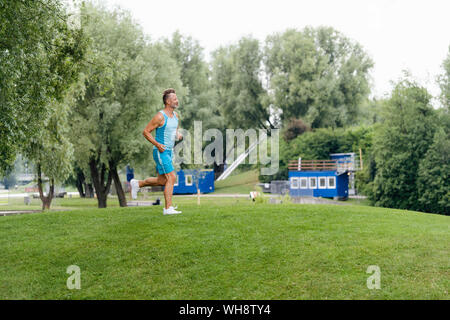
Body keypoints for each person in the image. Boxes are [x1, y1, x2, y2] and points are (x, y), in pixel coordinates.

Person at [130, 88, 183, 215]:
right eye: (174, 99)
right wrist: (157, 144)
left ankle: (138, 184)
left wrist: (178, 134)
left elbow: (174, 130)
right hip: (160, 152)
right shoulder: (160, 116)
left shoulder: (175, 116)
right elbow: (146, 132)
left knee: (162, 181)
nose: (177, 100)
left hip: (169, 151)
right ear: (168, 101)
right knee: (172, 177)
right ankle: (167, 208)